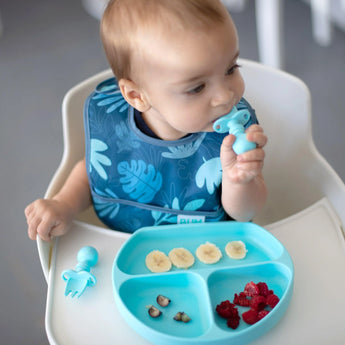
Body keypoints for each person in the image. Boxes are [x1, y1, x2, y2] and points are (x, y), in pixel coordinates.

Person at [25, 0, 267, 241]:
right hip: (127, 247)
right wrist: (63, 205)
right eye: (197, 88)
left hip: (210, 247)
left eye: (231, 68)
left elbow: (246, 213)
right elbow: (93, 173)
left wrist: (241, 181)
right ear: (137, 96)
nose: (226, 96)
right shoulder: (112, 122)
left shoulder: (235, 137)